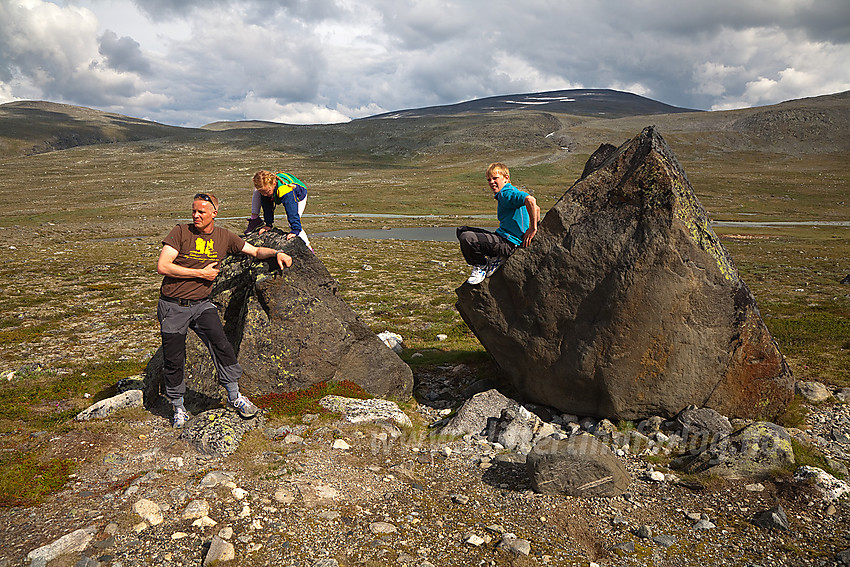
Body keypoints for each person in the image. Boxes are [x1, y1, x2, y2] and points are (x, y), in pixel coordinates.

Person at [157, 192, 293, 428]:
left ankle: (234, 396)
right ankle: (178, 408)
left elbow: (254, 251)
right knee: (174, 357)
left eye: (201, 211)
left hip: (201, 305)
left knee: (222, 345)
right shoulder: (180, 232)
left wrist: (277, 253)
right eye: (194, 211)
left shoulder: (224, 237)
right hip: (173, 305)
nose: (196, 215)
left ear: (214, 214)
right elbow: (163, 266)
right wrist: (200, 274)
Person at [457, 163, 540, 285]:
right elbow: (537, 209)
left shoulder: (506, 193)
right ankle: (495, 257)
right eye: (489, 179)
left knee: (467, 238)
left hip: (508, 243)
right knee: (461, 230)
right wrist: (534, 225)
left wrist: (533, 228)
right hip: (503, 238)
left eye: (495, 178)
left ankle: (481, 266)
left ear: (506, 178)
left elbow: (531, 200)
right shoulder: (509, 192)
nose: (491, 182)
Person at [246, 170, 312, 251]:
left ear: (274, 184)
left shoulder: (285, 190)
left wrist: (295, 229)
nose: (264, 195)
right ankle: (255, 219)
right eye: (262, 192)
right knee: (258, 193)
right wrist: (268, 224)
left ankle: (309, 248)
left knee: (292, 224)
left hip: (299, 195)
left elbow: (291, 211)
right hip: (278, 191)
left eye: (266, 192)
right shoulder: (266, 189)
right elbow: (267, 207)